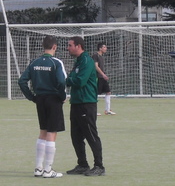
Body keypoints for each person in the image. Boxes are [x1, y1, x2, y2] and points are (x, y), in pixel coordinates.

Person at [18, 35, 66, 178]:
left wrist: (32, 97)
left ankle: (38, 168)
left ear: (43, 46)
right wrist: (62, 97)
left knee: (43, 131)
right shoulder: (56, 62)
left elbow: (22, 81)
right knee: (52, 132)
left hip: (40, 99)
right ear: (55, 47)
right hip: (53, 99)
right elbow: (62, 81)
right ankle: (47, 170)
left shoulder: (34, 62)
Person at [66, 36, 105, 176]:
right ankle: (82, 164)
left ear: (78, 46)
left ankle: (99, 166)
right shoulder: (78, 62)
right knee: (75, 136)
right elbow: (71, 79)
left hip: (86, 104)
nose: (68, 48)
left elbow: (79, 81)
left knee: (91, 135)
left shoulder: (87, 61)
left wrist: (69, 80)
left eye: (70, 45)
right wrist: (70, 79)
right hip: (76, 103)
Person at [92, 42, 116, 115]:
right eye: (104, 47)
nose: (106, 48)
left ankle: (107, 110)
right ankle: (93, 111)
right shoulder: (95, 56)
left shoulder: (102, 56)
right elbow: (96, 66)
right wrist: (103, 74)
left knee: (108, 92)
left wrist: (103, 75)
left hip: (102, 77)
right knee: (94, 94)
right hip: (97, 77)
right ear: (100, 48)